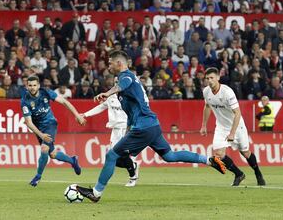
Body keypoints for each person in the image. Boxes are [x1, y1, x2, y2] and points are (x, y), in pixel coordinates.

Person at [76, 51, 226, 202]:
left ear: (119, 63)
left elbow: (124, 84)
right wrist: (128, 128)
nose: (108, 65)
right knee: (169, 156)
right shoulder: (125, 82)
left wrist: (107, 93)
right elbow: (131, 110)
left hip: (143, 128)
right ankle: (209, 160)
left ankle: (96, 193)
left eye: (110, 63)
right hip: (151, 126)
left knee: (112, 156)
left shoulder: (126, 77)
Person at [200, 67, 266, 186]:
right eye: (207, 78)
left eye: (212, 78)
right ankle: (239, 174)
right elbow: (207, 106)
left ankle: (257, 172)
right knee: (219, 153)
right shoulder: (206, 91)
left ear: (218, 78)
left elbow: (238, 113)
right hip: (221, 126)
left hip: (237, 126)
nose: (209, 81)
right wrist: (204, 125)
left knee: (245, 152)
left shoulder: (227, 92)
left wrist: (232, 133)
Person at [21, 75, 86, 187]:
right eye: (30, 85)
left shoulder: (46, 92)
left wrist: (77, 115)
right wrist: (41, 135)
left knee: (44, 148)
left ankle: (38, 176)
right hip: (38, 128)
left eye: (34, 85)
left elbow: (65, 102)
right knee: (53, 154)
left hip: (50, 123)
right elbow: (29, 122)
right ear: (27, 86)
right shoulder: (25, 101)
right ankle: (72, 160)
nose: (32, 87)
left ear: (38, 86)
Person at [81, 80, 140, 187]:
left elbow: (135, 113)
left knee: (123, 154)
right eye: (116, 82)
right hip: (115, 130)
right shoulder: (110, 97)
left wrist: (132, 127)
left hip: (125, 128)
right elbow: (100, 107)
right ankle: (133, 165)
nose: (117, 83)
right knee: (113, 158)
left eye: (119, 81)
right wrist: (85, 114)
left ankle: (133, 177)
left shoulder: (129, 97)